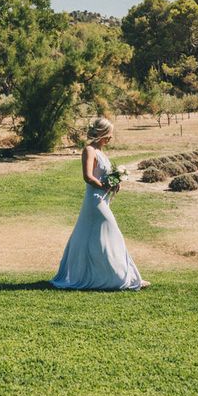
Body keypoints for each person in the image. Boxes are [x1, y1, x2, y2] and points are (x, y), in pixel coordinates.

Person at [51, 117, 150, 291]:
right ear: (102, 133)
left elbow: (103, 174)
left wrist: (114, 182)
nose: (111, 137)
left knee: (94, 237)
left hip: (103, 198)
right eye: (110, 133)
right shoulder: (89, 150)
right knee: (112, 232)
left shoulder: (102, 152)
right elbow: (88, 176)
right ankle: (120, 277)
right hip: (95, 199)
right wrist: (104, 185)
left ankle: (112, 275)